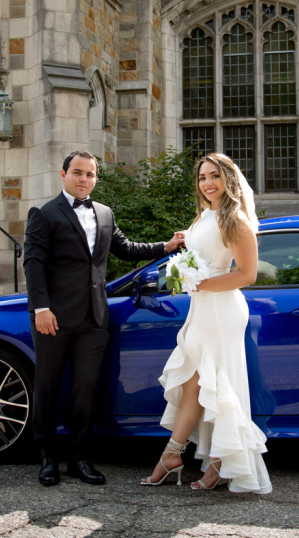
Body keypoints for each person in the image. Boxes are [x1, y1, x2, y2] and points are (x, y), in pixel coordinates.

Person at [24, 150, 183, 487]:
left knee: (87, 391)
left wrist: (166, 247)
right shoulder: (44, 213)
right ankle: (47, 458)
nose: (84, 179)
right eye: (78, 173)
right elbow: (33, 263)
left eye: (91, 174)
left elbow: (127, 249)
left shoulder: (105, 213)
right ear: (64, 174)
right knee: (47, 389)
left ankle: (79, 459)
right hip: (54, 318)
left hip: (95, 319)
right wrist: (40, 308)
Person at [140, 152, 272, 493]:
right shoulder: (204, 217)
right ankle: (212, 463)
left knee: (203, 381)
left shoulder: (236, 220)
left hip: (222, 309)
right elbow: (201, 255)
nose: (207, 183)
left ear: (228, 179)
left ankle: (174, 455)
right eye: (201, 177)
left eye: (214, 176)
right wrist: (183, 265)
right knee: (196, 384)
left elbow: (248, 274)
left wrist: (199, 283)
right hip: (201, 308)